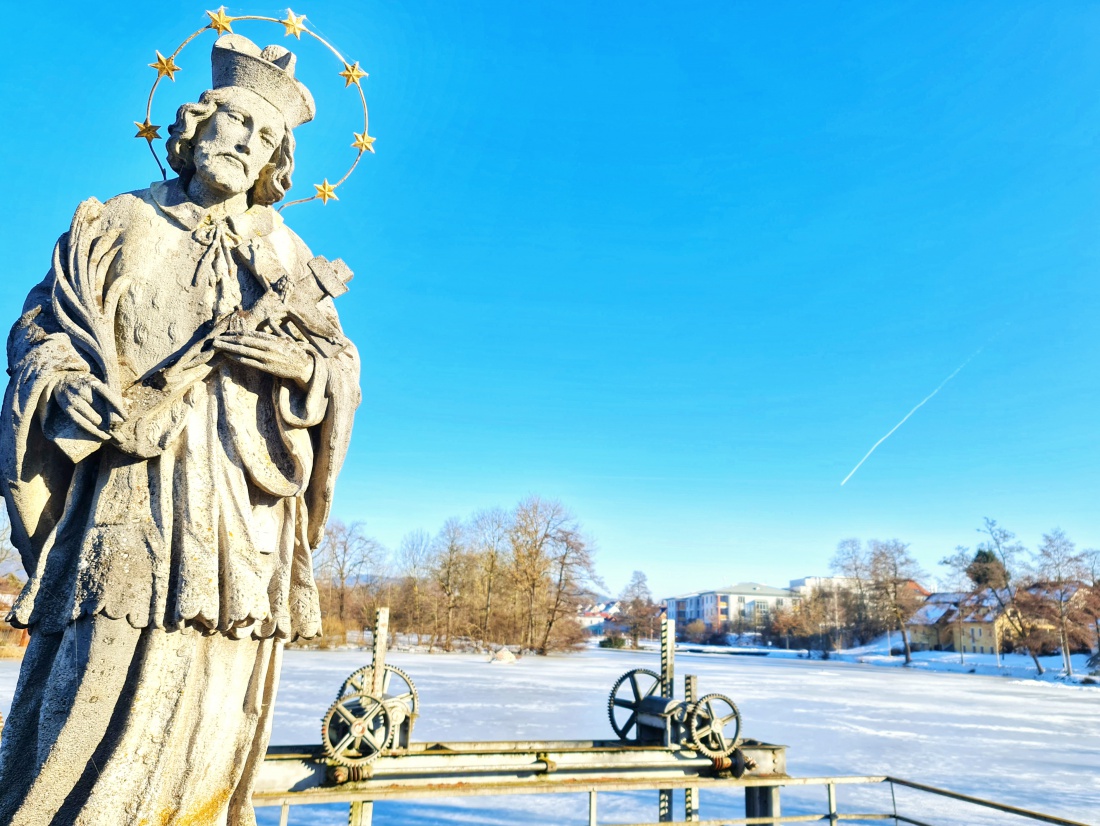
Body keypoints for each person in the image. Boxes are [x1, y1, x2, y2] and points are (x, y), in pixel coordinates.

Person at [0, 35, 359, 825]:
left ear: (277, 161)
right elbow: (40, 331)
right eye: (230, 122)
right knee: (96, 679)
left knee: (214, 697)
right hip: (133, 489)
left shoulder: (288, 255)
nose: (241, 143)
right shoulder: (119, 222)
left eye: (261, 136)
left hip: (244, 511)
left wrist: (302, 373)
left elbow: (339, 367)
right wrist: (65, 387)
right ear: (194, 125)